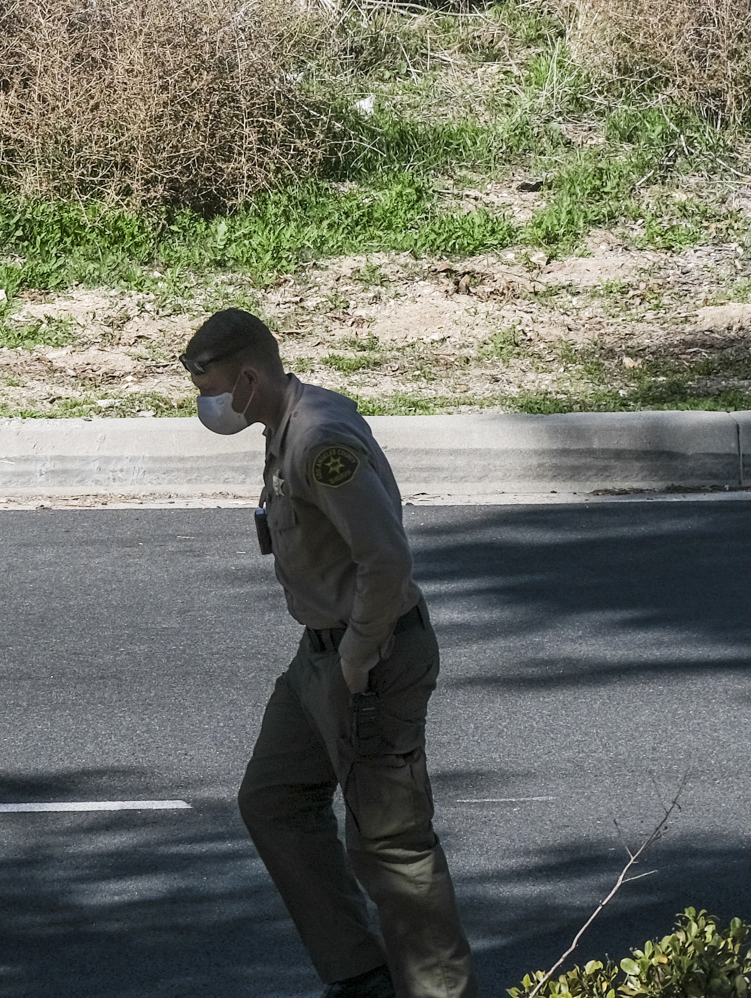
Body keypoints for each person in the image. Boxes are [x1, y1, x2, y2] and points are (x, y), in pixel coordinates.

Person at [182, 307, 479, 998]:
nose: (211, 404)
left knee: (392, 846)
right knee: (274, 799)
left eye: (217, 387)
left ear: (251, 377)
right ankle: (360, 974)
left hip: (367, 656)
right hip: (317, 655)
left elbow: (384, 558)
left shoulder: (319, 439)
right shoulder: (283, 423)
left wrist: (356, 657)